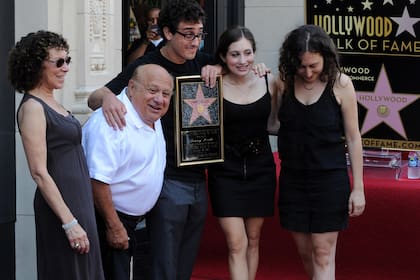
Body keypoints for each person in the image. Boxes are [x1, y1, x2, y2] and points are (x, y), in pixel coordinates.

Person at [87, 1, 222, 279]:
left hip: (199, 174)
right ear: (168, 33)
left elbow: (239, 65)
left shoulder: (204, 60)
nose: (194, 41)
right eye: (187, 34)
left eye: (199, 34)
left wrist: (221, 68)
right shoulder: (145, 66)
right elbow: (93, 98)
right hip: (166, 178)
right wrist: (109, 97)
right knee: (163, 264)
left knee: (185, 263)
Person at [8, 30, 104, 279]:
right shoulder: (32, 107)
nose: (66, 68)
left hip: (79, 201)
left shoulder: (54, 103)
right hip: (61, 207)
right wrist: (69, 222)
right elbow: (39, 172)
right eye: (59, 62)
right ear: (36, 65)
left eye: (68, 61)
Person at [275, 24, 366, 279]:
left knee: (323, 253)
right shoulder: (282, 82)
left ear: (326, 58)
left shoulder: (341, 84)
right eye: (302, 66)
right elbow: (272, 123)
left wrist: (358, 188)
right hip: (293, 179)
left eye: (314, 65)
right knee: (306, 254)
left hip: (330, 179)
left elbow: (353, 137)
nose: (308, 72)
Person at [82, 64, 173, 280]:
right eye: (152, 90)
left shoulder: (147, 112)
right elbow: (97, 180)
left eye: (166, 94)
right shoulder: (112, 120)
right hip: (108, 220)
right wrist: (114, 226)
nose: (159, 99)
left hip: (138, 222)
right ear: (131, 88)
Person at [206, 26, 278, 280]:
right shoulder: (212, 83)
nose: (243, 60)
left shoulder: (270, 80)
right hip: (225, 173)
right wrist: (210, 69)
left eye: (248, 53)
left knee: (254, 239)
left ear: (255, 54)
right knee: (236, 242)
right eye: (235, 54)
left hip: (261, 170)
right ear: (223, 57)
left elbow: (277, 124)